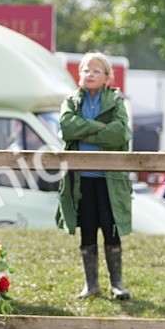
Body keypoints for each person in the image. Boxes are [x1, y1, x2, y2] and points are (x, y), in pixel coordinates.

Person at [56, 52, 132, 300]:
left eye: (96, 71)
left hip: (110, 180)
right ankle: (91, 285)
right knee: (87, 229)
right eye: (86, 70)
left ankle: (117, 284)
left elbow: (119, 133)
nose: (90, 74)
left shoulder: (117, 101)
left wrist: (84, 131)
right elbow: (67, 127)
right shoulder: (70, 101)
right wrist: (100, 128)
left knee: (111, 229)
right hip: (82, 179)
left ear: (108, 77)